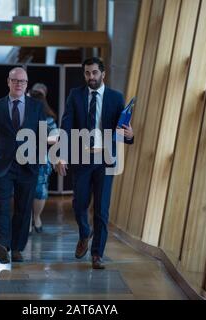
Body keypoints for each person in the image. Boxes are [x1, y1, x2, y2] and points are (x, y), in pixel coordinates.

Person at [57, 57, 134, 269]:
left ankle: (97, 254)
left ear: (103, 74)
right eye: (87, 73)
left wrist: (129, 134)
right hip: (81, 158)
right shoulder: (76, 95)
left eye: (94, 73)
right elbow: (66, 126)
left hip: (105, 160)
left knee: (101, 209)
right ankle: (84, 233)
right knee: (79, 204)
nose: (90, 77)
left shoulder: (116, 98)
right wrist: (62, 155)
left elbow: (123, 129)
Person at [0, 67, 47, 264]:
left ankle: (18, 248)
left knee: (23, 208)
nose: (19, 84)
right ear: (8, 82)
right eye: (15, 80)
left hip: (28, 167)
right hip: (2, 166)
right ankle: (1, 245)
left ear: (27, 84)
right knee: (2, 206)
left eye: (22, 81)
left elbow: (43, 137)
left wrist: (40, 162)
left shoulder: (37, 107)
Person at [29, 83, 58, 233]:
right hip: (23, 156)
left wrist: (41, 139)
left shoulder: (48, 117)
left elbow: (55, 136)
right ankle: (27, 219)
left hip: (40, 156)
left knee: (40, 190)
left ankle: (36, 218)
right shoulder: (21, 111)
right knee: (22, 189)